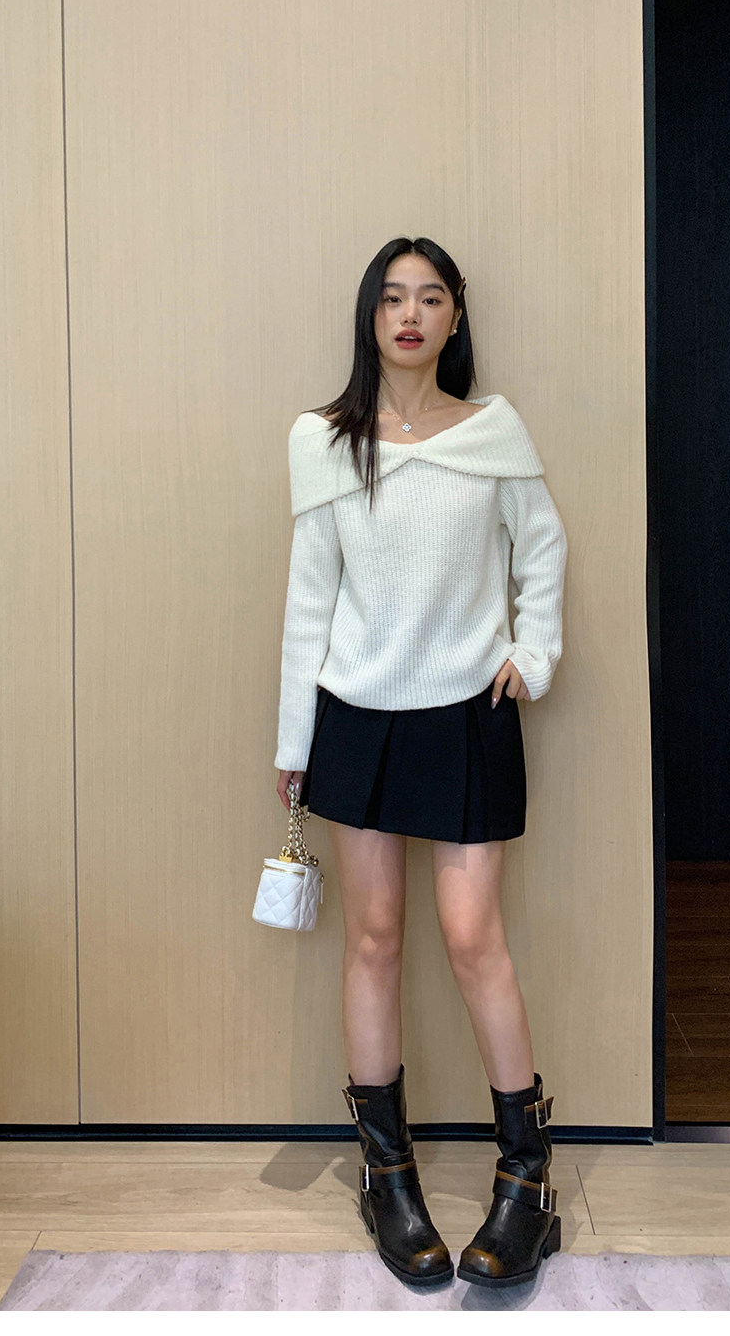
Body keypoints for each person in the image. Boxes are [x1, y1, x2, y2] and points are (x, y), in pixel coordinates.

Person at [273, 235, 568, 1291]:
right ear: (371, 315)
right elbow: (310, 598)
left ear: (454, 317)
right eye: (393, 297)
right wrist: (293, 744)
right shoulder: (324, 440)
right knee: (375, 938)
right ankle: (386, 1179)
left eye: (430, 297)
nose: (410, 314)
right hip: (356, 715)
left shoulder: (493, 431)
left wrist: (532, 654)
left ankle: (527, 1184)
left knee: (473, 937)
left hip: (468, 713)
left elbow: (543, 548)